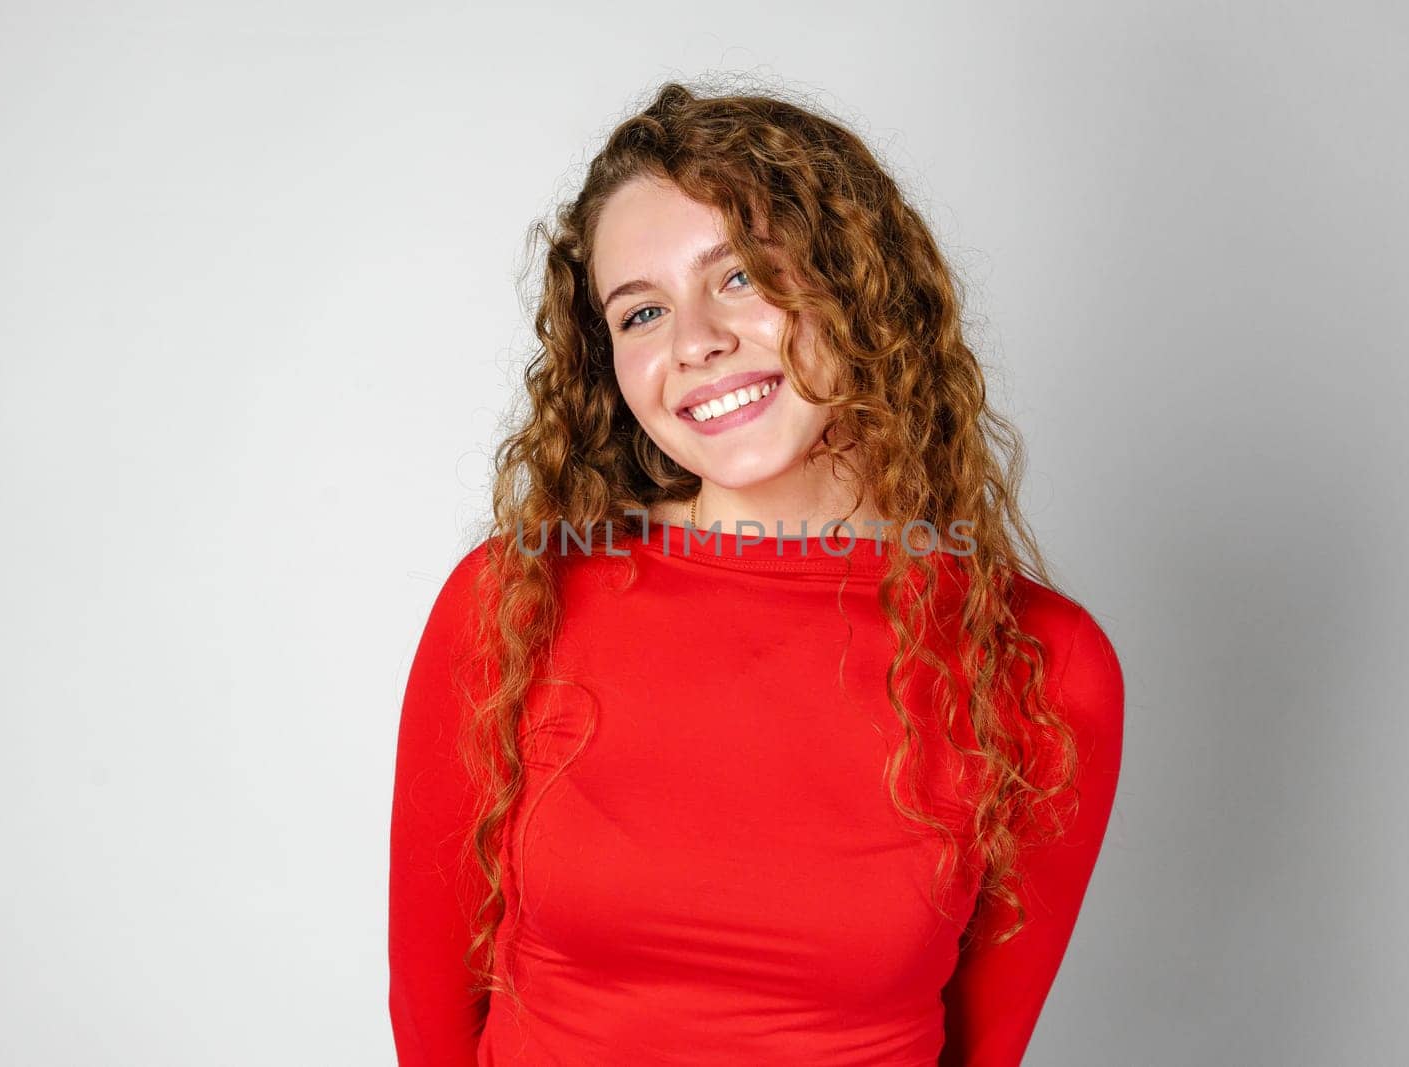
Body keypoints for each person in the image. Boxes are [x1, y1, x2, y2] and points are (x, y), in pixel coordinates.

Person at [389, 80, 1125, 1066]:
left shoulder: (1041, 659)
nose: (693, 340)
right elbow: (431, 1016)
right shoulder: (514, 599)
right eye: (640, 312)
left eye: (736, 277)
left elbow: (984, 1046)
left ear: (855, 283)